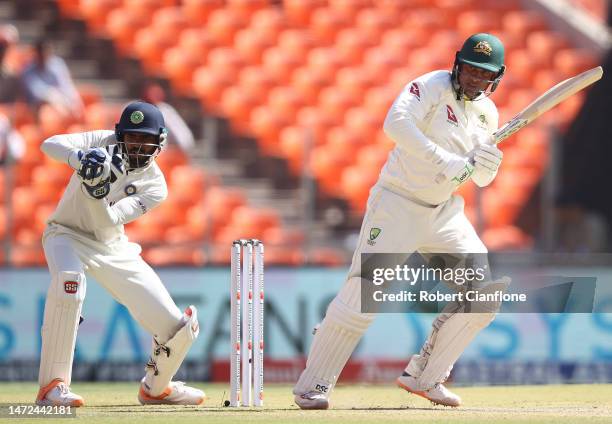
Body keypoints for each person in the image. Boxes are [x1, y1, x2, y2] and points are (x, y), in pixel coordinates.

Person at [293, 33, 509, 409]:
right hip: (397, 204)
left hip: (443, 212)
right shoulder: (430, 86)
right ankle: (312, 386)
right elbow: (395, 124)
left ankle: (425, 377)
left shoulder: (487, 113)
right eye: (470, 69)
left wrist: (488, 169)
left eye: (483, 74)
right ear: (457, 63)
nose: (474, 79)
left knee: (483, 295)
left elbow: (479, 177)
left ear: (496, 78)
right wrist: (445, 160)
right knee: (364, 295)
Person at [36, 101, 204, 407]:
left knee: (179, 328)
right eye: (132, 137)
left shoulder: (155, 185)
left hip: (113, 246)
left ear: (160, 142)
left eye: (145, 139)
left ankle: (157, 388)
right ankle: (52, 387)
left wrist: (97, 189)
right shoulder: (103, 141)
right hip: (66, 234)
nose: (137, 145)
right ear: (120, 135)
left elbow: (108, 220)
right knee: (68, 286)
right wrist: (80, 159)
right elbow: (49, 144)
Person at [20, 38, 84, 118]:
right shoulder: (27, 70)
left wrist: (74, 102)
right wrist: (58, 102)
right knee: (47, 112)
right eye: (41, 53)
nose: (44, 56)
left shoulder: (57, 64)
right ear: (36, 53)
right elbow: (38, 94)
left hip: (62, 102)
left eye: (46, 52)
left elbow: (67, 85)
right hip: (37, 107)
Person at [142, 82, 195, 153]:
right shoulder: (138, 110)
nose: (154, 97)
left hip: (169, 150)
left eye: (157, 94)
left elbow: (183, 136)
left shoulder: (165, 110)